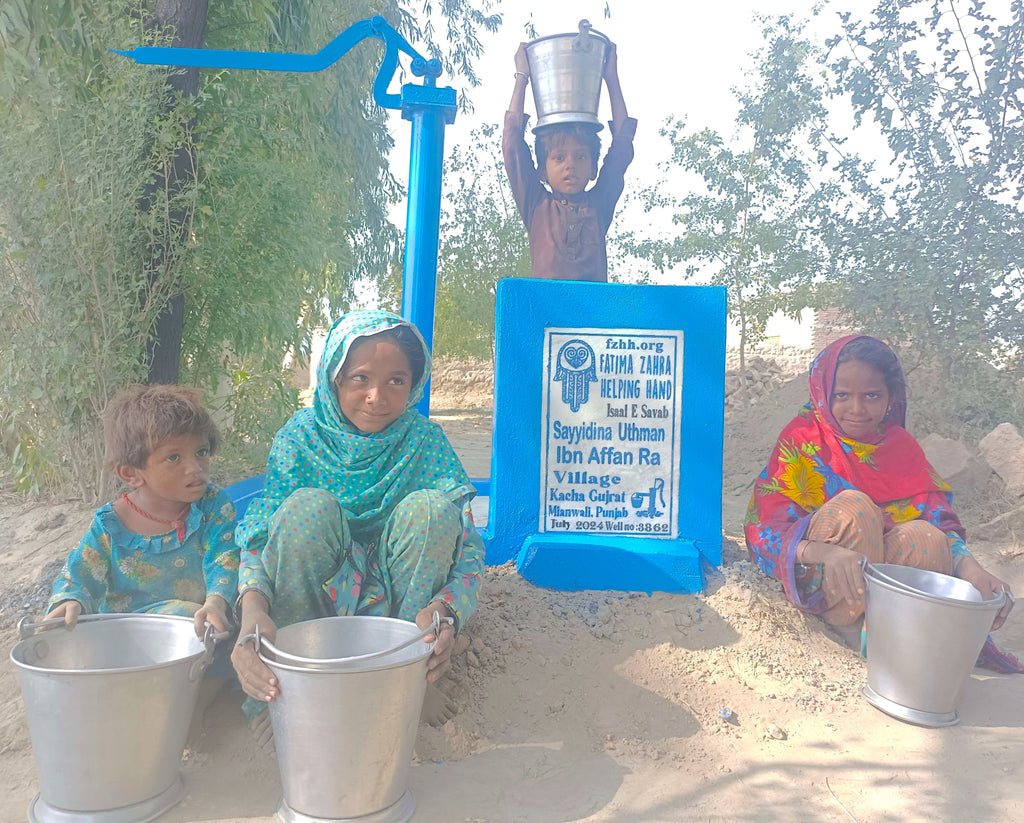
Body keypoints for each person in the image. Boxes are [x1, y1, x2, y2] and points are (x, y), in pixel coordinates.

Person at [230, 310, 485, 732]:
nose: (377, 397)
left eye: (396, 381)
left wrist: (446, 610)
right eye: (360, 378)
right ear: (334, 378)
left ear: (414, 384)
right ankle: (293, 679)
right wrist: (253, 611)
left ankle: (407, 678)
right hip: (318, 593)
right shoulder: (299, 439)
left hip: (404, 601)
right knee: (303, 510)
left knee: (434, 512)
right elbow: (260, 537)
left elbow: (469, 547)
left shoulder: (422, 441)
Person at [744, 335, 1017, 665]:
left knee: (927, 539)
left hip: (879, 586)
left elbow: (936, 522)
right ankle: (846, 627)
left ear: (890, 398)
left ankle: (883, 635)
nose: (857, 409)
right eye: (842, 395)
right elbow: (763, 530)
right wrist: (826, 552)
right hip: (821, 579)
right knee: (855, 508)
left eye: (872, 395)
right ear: (823, 392)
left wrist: (973, 571)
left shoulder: (899, 446)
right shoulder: (802, 439)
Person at [46, 384, 239, 639]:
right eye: (174, 458)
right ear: (131, 473)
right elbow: (79, 575)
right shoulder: (111, 525)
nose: (195, 467)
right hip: (128, 640)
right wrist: (71, 601)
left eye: (201, 452)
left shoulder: (212, 505)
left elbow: (224, 559)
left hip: (204, 628)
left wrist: (215, 603)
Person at [503, 39, 637, 282]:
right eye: (559, 157)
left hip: (594, 317)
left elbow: (621, 150)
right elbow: (512, 146)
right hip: (548, 317)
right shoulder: (536, 205)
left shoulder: (599, 204)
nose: (570, 165)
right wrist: (522, 76)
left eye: (581, 156)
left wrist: (611, 79)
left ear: (594, 168)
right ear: (542, 171)